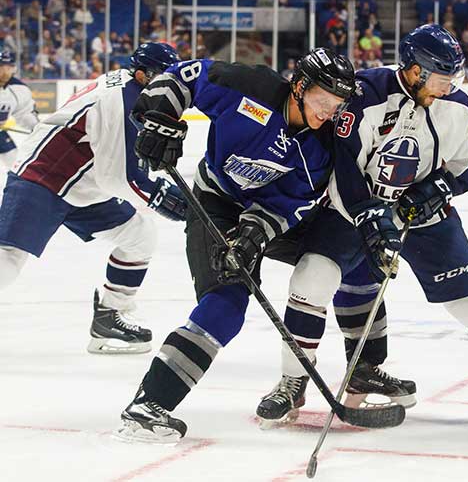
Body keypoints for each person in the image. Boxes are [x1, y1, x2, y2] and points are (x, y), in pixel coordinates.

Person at [256, 24, 468, 426]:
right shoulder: (364, 94)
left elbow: (462, 172)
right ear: (415, 70)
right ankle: (292, 382)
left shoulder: (460, 110)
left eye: (454, 77)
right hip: (354, 209)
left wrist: (431, 192)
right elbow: (347, 166)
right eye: (441, 77)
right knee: (310, 279)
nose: (449, 86)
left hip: (422, 218)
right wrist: (369, 216)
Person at [114, 47, 357, 444]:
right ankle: (149, 404)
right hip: (214, 201)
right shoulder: (251, 88)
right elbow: (182, 77)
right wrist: (159, 117)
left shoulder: (320, 148)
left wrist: (253, 236)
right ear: (299, 87)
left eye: (335, 105)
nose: (326, 112)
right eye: (321, 100)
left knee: (338, 257)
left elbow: (290, 203)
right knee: (226, 305)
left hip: (256, 214)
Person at [0, 43, 184, 355]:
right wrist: (167, 201)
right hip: (41, 177)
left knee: (139, 234)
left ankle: (108, 317)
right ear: (141, 74)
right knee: (8, 261)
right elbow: (121, 178)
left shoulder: (132, 89)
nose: (169, 87)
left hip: (81, 185)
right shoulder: (122, 100)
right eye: (161, 77)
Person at [0, 50, 38, 170]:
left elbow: (24, 114)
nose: (4, 72)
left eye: (8, 68)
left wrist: (36, 129)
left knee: (15, 162)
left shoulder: (19, 89)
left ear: (13, 69)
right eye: (1, 67)